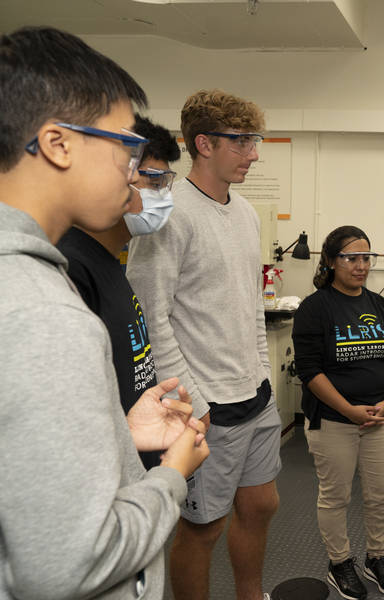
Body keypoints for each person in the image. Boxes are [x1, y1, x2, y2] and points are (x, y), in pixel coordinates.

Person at [0, 26, 209, 600]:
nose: (133, 168)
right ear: (58, 143)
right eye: (125, 145)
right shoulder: (43, 313)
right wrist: (171, 477)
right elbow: (65, 565)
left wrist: (119, 431)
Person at [126, 88, 281, 600]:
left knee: (261, 506)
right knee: (202, 528)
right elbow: (151, 315)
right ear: (204, 144)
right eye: (242, 141)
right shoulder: (170, 217)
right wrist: (193, 398)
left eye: (254, 141)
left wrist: (264, 373)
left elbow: (249, 305)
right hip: (208, 405)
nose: (254, 153)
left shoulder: (248, 214)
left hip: (254, 396)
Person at [57, 114, 196, 470]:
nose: (161, 195)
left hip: (137, 457)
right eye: (152, 180)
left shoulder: (109, 263)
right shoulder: (72, 268)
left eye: (166, 182)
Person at [292, 226, 384, 600]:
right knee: (335, 495)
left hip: (379, 418)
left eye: (366, 258)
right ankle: (339, 562)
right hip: (334, 420)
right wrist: (349, 410)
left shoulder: (381, 305)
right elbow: (309, 371)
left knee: (381, 493)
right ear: (330, 261)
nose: (361, 266)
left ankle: (377, 559)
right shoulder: (315, 307)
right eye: (351, 258)